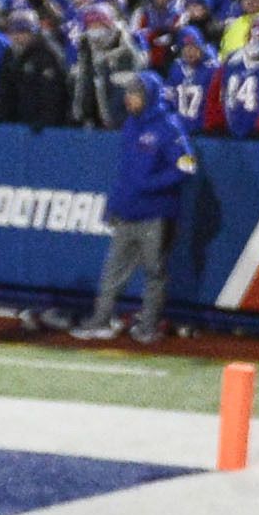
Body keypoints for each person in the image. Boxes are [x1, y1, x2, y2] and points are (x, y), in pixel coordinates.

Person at [85, 69, 194, 344]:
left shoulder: (168, 126)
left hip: (155, 213)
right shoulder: (131, 125)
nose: (127, 100)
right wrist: (116, 203)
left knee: (154, 271)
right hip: (127, 211)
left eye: (133, 94)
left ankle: (148, 326)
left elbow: (187, 166)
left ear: (147, 95)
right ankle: (100, 320)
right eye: (127, 94)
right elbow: (125, 172)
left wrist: (151, 185)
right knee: (113, 270)